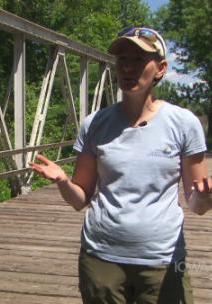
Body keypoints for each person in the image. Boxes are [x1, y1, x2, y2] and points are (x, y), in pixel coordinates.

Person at [29, 26, 211, 304]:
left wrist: (205, 195)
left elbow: (196, 205)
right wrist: (64, 182)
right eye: (122, 60)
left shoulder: (183, 124)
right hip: (101, 258)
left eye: (138, 60)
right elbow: (80, 200)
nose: (128, 68)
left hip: (162, 259)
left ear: (161, 68)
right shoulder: (95, 124)